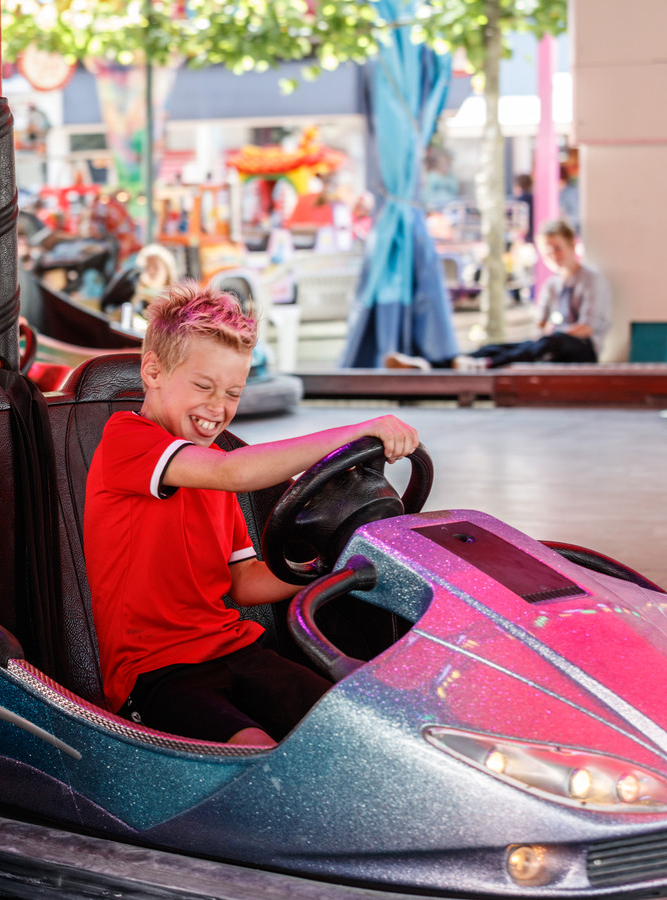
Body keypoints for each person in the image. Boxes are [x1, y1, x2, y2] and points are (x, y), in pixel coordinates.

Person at [84, 283, 419, 747]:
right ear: (153, 370)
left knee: (353, 729)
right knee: (256, 755)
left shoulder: (211, 466)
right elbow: (235, 471)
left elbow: (244, 582)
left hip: (236, 648)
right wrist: (361, 431)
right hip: (155, 670)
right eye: (203, 386)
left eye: (233, 393)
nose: (218, 408)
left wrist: (339, 561)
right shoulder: (129, 442)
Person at [386, 219, 610, 371]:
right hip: (550, 343)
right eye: (548, 251)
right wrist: (543, 332)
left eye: (558, 248)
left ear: (572, 245)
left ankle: (488, 365)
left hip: (581, 349)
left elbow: (586, 328)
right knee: (504, 346)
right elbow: (540, 324)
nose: (554, 255)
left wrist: (550, 334)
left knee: (551, 342)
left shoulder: (591, 280)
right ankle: (433, 364)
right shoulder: (551, 285)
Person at [133, 244, 178, 308]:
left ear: (167, 271)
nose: (151, 271)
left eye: (156, 267)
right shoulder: (135, 300)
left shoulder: (176, 303)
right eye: (147, 267)